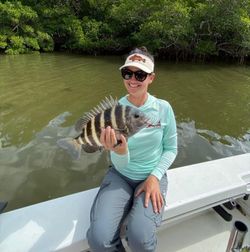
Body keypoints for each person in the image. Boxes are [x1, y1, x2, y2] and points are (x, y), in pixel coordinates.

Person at [87, 47, 178, 252]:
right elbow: (120, 161)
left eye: (140, 74)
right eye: (127, 73)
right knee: (98, 239)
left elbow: (171, 149)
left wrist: (154, 177)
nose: (133, 79)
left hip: (152, 175)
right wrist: (118, 151)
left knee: (140, 239)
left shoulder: (163, 108)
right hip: (120, 174)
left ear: (151, 78)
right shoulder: (113, 110)